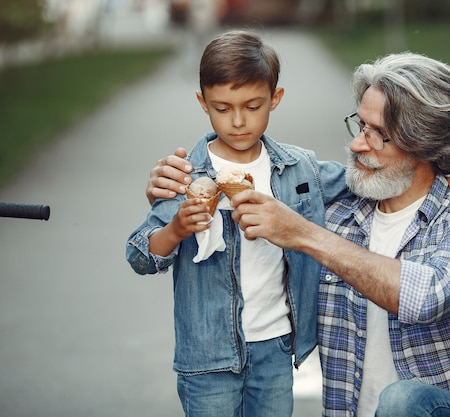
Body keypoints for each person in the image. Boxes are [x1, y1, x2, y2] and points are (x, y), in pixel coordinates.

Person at [229, 52, 450, 417]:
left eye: (380, 136)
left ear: (426, 144)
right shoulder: (338, 218)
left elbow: (425, 298)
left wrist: (305, 234)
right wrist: (177, 186)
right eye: (360, 127)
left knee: (401, 402)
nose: (358, 145)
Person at [126, 29, 351, 417]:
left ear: (275, 99)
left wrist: (438, 174)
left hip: (276, 346)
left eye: (252, 105)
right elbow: (141, 256)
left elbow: (363, 182)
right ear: (203, 103)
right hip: (208, 353)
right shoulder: (185, 175)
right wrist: (177, 229)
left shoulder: (299, 169)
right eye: (223, 108)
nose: (238, 121)